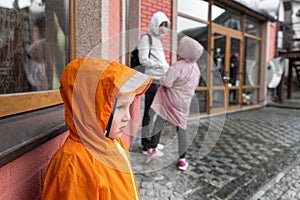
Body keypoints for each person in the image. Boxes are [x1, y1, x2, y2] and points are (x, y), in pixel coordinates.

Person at [42, 57, 152, 199]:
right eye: (119, 107)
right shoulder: (75, 164)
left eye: (128, 106)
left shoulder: (113, 143)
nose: (127, 117)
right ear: (91, 109)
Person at [146, 36, 204, 171]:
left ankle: (152, 148)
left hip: (170, 99)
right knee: (181, 128)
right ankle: (182, 159)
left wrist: (161, 77)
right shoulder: (196, 68)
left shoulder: (177, 66)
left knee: (159, 120)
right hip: (184, 102)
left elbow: (166, 82)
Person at [138, 11, 170, 156]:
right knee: (149, 113)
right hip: (152, 81)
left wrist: (165, 68)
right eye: (161, 25)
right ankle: (146, 146)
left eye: (165, 25)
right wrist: (159, 66)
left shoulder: (158, 40)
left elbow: (161, 61)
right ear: (155, 24)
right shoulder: (147, 38)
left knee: (156, 112)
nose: (163, 28)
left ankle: (152, 142)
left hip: (160, 80)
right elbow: (143, 59)